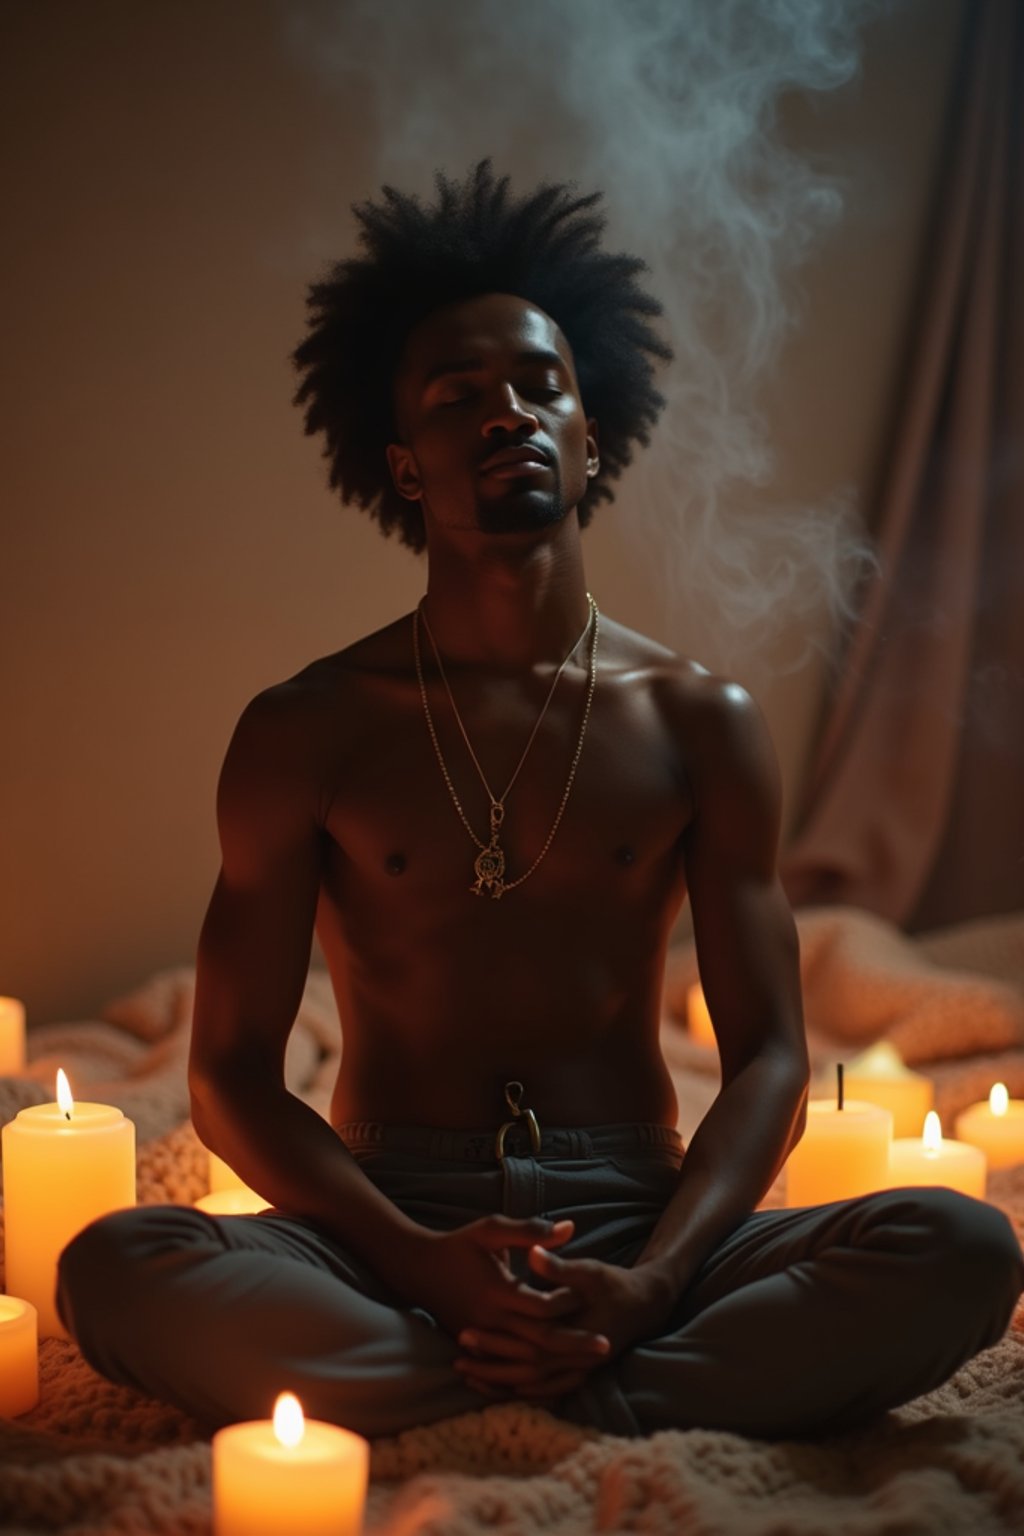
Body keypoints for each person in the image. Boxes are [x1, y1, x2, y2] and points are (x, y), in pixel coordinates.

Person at [57, 161, 1023, 1441]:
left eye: (538, 387)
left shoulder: (698, 723)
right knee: (113, 1269)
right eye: (459, 399)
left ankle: (522, 1378)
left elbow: (772, 1057)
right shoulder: (305, 730)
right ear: (404, 468)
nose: (505, 414)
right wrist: (412, 1257)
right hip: (387, 1212)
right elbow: (231, 1072)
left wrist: (652, 1282)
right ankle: (590, 1392)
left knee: (958, 1244)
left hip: (635, 1209)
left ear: (589, 433)